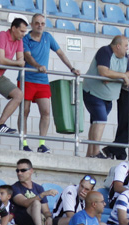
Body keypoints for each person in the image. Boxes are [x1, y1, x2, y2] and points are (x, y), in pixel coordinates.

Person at [21, 14, 79, 153]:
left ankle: (42, 144)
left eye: (42, 23)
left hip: (42, 80)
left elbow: (60, 53)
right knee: (25, 111)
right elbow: (27, 56)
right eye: (37, 23)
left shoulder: (48, 37)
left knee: (46, 111)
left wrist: (71, 68)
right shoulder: (25, 39)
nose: (40, 25)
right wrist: (37, 66)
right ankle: (23, 142)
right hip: (27, 79)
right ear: (32, 24)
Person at [83, 35, 129, 159]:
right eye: (126, 46)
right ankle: (96, 152)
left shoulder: (124, 57)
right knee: (101, 120)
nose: (127, 48)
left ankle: (90, 154)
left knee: (96, 123)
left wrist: (115, 76)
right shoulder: (105, 51)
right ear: (118, 46)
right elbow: (103, 71)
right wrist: (120, 76)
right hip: (93, 93)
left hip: (108, 97)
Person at [11, 158, 59, 225]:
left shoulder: (39, 188)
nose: (19, 173)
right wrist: (43, 194)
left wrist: (49, 218)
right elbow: (25, 203)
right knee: (36, 203)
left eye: (23, 170)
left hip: (37, 221)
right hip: (22, 222)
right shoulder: (14, 187)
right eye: (17, 170)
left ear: (31, 171)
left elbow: (46, 211)